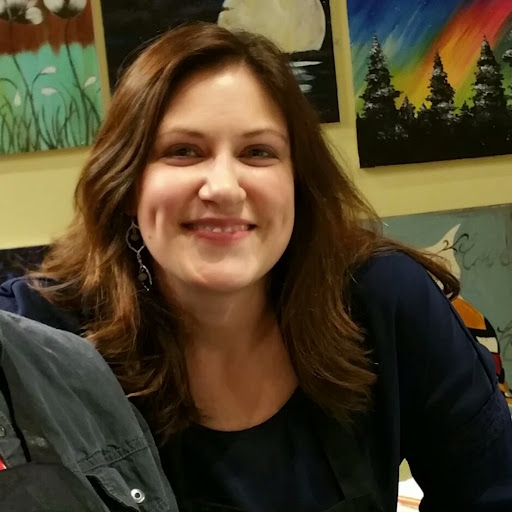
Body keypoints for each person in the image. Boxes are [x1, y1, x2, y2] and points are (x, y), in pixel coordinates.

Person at [0, 21, 511, 512]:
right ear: (128, 185)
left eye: (258, 152)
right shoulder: (43, 335)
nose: (224, 187)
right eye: (183, 151)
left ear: (298, 185)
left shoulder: (383, 299)